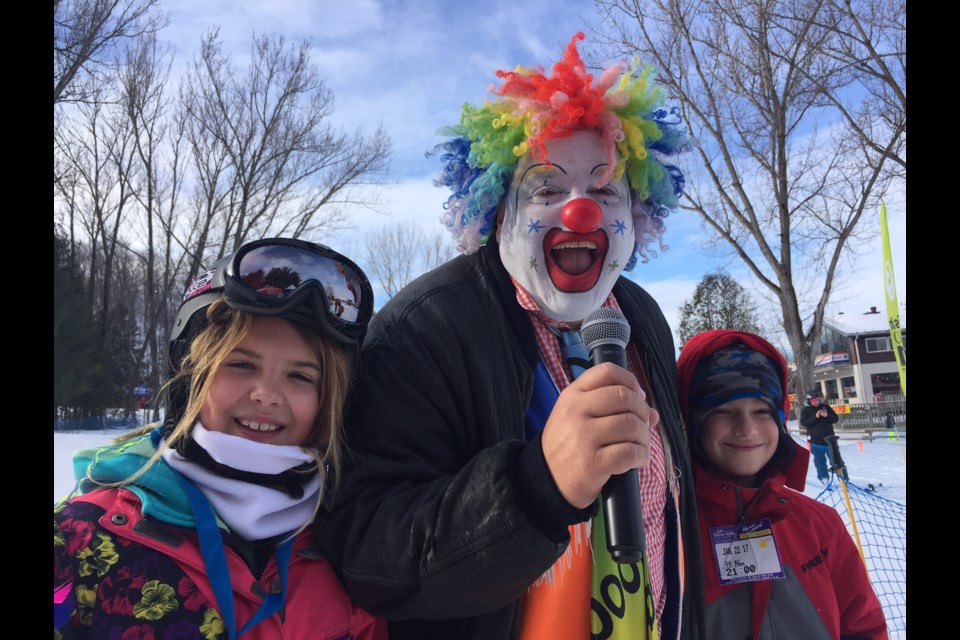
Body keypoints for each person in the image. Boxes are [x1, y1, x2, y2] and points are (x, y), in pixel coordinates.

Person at [315, 32, 704, 640]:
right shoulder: (424, 329)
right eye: (547, 189)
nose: (582, 211)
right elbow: (370, 555)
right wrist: (536, 487)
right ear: (496, 211)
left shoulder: (642, 317)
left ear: (640, 214)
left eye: (604, 191)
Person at [54, 238, 386, 640]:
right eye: (242, 364)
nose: (266, 393)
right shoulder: (82, 541)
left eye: (300, 376)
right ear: (192, 380)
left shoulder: (354, 550)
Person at [676, 329, 888, 639]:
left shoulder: (819, 525)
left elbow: (863, 627)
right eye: (723, 410)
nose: (747, 429)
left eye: (761, 411)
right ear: (693, 419)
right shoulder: (669, 529)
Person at [800, 387, 848, 483]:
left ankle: (844, 479)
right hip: (815, 442)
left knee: (837, 460)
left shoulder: (825, 407)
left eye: (817, 400)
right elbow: (805, 423)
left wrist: (827, 416)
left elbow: (835, 419)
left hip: (830, 441)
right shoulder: (806, 410)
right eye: (813, 400)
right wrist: (816, 417)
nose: (816, 402)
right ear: (809, 401)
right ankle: (824, 478)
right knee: (820, 462)